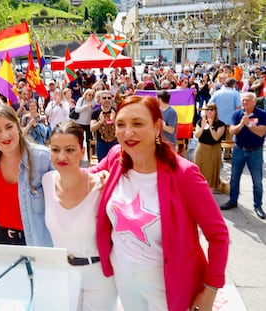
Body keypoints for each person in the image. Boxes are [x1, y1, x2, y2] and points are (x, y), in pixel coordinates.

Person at [90, 95, 229, 310]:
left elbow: (218, 235)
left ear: (157, 127)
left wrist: (210, 289)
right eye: (121, 124)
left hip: (168, 286)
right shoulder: (116, 157)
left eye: (137, 123)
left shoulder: (184, 174)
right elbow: (82, 176)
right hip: (124, 278)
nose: (128, 133)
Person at [42, 121, 118, 311]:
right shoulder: (46, 181)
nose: (61, 156)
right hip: (63, 273)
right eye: (55, 149)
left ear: (82, 152)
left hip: (99, 276)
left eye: (69, 150)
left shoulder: (101, 186)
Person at [0, 104, 54, 246]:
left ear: (18, 125)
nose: (5, 135)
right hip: (1, 238)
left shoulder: (43, 159)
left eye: (9, 127)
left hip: (37, 240)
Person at [220, 92, 266, 219]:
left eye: (247, 100)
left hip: (255, 152)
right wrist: (241, 124)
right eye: (243, 100)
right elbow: (232, 130)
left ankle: (258, 206)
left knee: (257, 181)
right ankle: (233, 200)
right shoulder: (237, 114)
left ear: (254, 102)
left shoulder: (262, 114)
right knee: (234, 178)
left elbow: (261, 132)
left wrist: (249, 124)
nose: (245, 102)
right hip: (239, 150)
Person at [194, 103, 226, 191]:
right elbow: (196, 135)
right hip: (202, 148)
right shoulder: (200, 122)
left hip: (214, 149)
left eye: (211, 110)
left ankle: (211, 189)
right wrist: (202, 127)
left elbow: (216, 137)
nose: (209, 112)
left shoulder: (220, 124)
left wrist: (211, 126)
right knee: (200, 168)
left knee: (212, 171)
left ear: (216, 111)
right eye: (207, 109)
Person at [209, 78, 241, 159]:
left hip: (218, 119)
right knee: (229, 138)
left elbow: (210, 104)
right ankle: (227, 154)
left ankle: (218, 153)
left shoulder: (217, 93)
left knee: (217, 137)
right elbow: (238, 107)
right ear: (233, 85)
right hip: (230, 120)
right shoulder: (236, 93)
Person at [90, 90, 117, 161]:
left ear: (112, 100)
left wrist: (114, 121)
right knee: (102, 167)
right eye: (104, 98)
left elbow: (123, 128)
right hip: (101, 144)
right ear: (100, 100)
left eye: (109, 98)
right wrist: (100, 122)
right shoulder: (95, 113)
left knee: (115, 165)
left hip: (115, 143)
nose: (107, 100)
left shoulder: (116, 112)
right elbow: (92, 128)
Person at [74, 89, 96, 160]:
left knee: (89, 140)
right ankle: (78, 156)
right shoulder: (81, 100)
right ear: (86, 94)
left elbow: (95, 112)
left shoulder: (94, 101)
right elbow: (76, 109)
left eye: (92, 95)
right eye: (89, 95)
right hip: (80, 122)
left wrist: (93, 108)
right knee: (79, 140)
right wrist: (85, 106)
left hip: (88, 123)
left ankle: (90, 156)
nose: (90, 96)